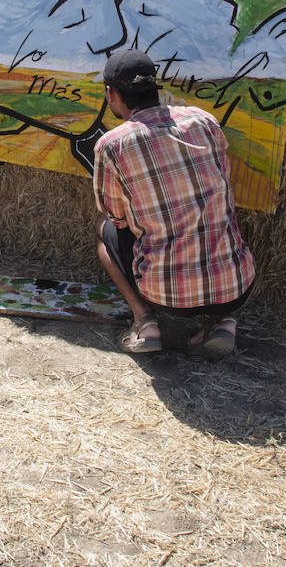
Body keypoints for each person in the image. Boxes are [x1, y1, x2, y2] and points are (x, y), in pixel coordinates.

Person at [92, 49, 256, 359]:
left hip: (168, 297)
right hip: (239, 287)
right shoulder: (204, 120)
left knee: (105, 232)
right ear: (154, 86)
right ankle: (223, 321)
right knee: (216, 221)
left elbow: (116, 217)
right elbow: (223, 186)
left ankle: (145, 322)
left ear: (111, 93)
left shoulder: (112, 144)